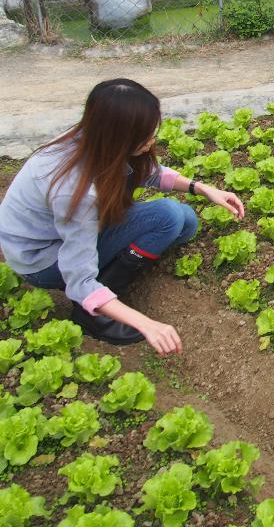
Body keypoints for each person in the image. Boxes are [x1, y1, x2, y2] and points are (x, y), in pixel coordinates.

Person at [0, 79, 245, 355]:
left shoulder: (95, 137)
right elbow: (78, 279)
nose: (153, 139)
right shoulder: (74, 190)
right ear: (120, 137)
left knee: (184, 221)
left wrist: (201, 188)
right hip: (42, 261)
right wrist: (147, 323)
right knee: (170, 217)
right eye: (146, 135)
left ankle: (109, 279)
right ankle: (91, 314)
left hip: (60, 233)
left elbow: (150, 171)